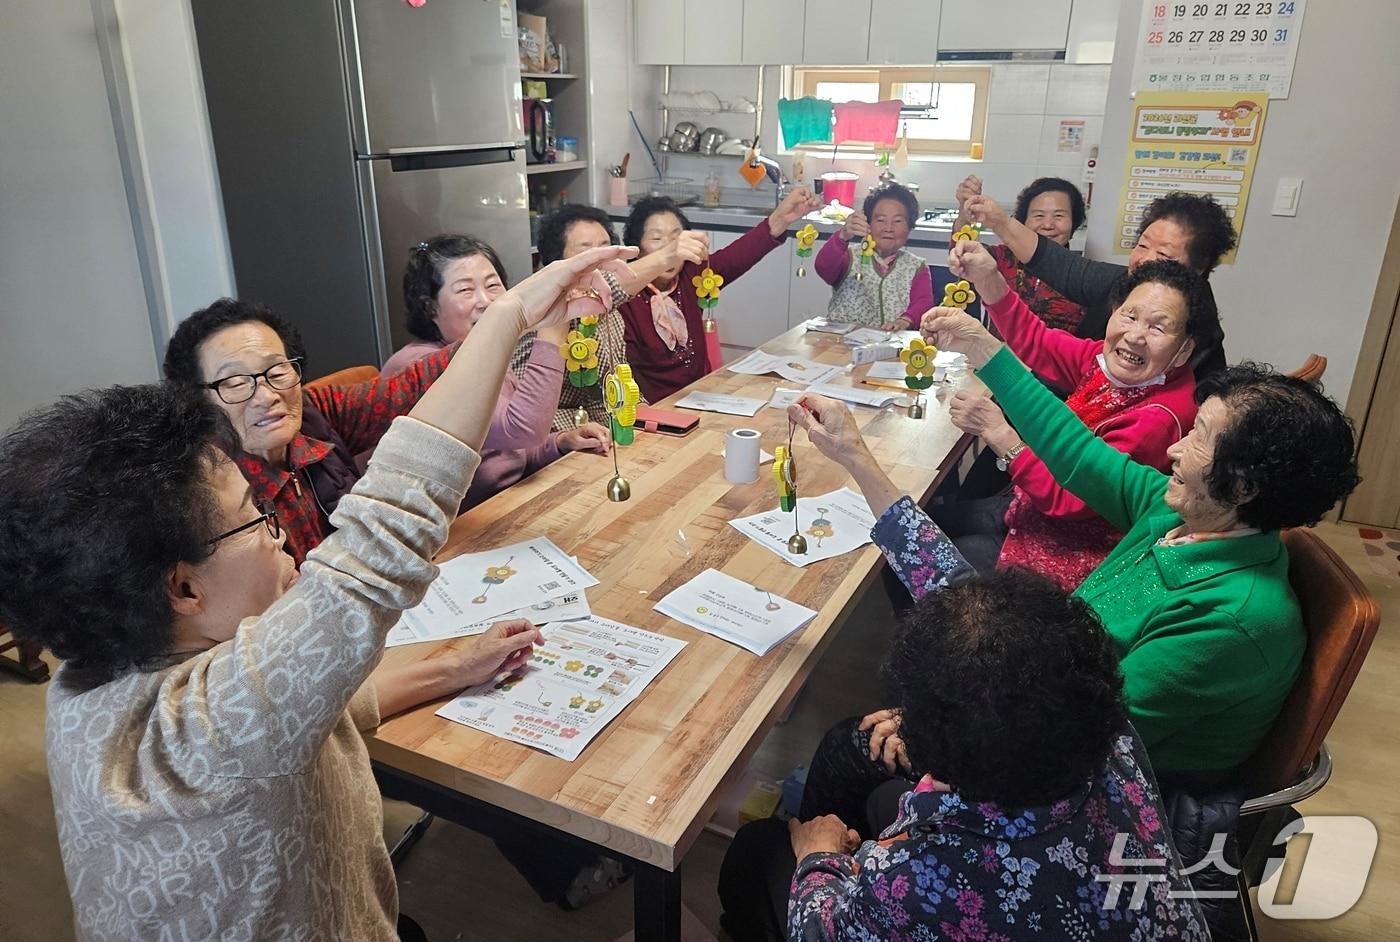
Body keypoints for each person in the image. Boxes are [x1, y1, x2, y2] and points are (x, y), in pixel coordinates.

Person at [0, 245, 634, 940]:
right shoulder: (203, 725)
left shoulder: (108, 679)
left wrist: (456, 667)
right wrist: (510, 313)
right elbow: (387, 526)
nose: (279, 534)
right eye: (254, 514)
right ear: (181, 586)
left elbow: (325, 702)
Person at [789, 315, 1360, 786]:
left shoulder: (1232, 622)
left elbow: (1076, 745)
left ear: (1242, 488)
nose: (1176, 449)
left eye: (1199, 438)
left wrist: (939, 727)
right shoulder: (1180, 515)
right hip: (1039, 698)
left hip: (1089, 796)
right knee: (946, 630)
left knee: (850, 752)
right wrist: (979, 352)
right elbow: (1077, 452)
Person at [718, 570, 1210, 942]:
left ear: (941, 758)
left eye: (910, 715)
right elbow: (987, 634)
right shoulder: (1106, 732)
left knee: (755, 850)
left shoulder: (922, 881)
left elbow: (823, 933)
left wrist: (820, 858)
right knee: (853, 749)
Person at [162, 292, 609, 565]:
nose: (265, 395)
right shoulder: (213, 498)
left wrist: (516, 317)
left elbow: (414, 386)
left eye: (277, 371)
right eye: (235, 382)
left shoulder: (315, 413)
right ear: (197, 399)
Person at [931, 241, 1216, 589]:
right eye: (1129, 315)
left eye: (1159, 328)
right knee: (921, 523)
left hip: (1072, 548)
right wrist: (989, 278)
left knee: (924, 557)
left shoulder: (1158, 418)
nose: (1136, 335)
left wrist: (998, 433)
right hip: (1028, 507)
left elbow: (1067, 501)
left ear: (1185, 348)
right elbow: (1039, 342)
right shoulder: (1109, 363)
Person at [965, 189, 1236, 378]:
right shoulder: (1125, 283)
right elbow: (1062, 268)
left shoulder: (1192, 338)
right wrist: (998, 223)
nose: (1145, 260)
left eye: (1164, 255)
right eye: (1142, 245)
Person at [618, 188, 821, 402]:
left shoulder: (693, 274)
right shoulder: (624, 297)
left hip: (701, 397)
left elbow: (738, 256)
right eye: (657, 238)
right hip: (652, 410)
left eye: (677, 238)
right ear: (636, 248)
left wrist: (780, 218)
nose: (671, 247)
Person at [535, 204, 710, 429]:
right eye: (586, 252)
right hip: (559, 442)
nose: (600, 261)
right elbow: (526, 417)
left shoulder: (610, 313)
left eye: (606, 249)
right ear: (556, 264)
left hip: (613, 432)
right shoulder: (542, 313)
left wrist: (648, 421)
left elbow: (617, 390)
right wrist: (667, 255)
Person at [953, 174, 1087, 332]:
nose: (1048, 224)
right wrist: (965, 213)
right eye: (1039, 215)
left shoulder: (1083, 275)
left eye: (1059, 216)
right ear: (1023, 221)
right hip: (997, 355)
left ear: (1074, 221)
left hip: (1056, 357)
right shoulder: (1002, 258)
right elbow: (963, 258)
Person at [815, 182, 931, 329]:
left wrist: (904, 321)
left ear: (909, 227)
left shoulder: (916, 266)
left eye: (897, 221)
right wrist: (842, 236)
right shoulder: (849, 256)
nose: (888, 228)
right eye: (880, 220)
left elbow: (923, 302)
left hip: (893, 342)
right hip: (843, 343)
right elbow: (823, 267)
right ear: (868, 223)